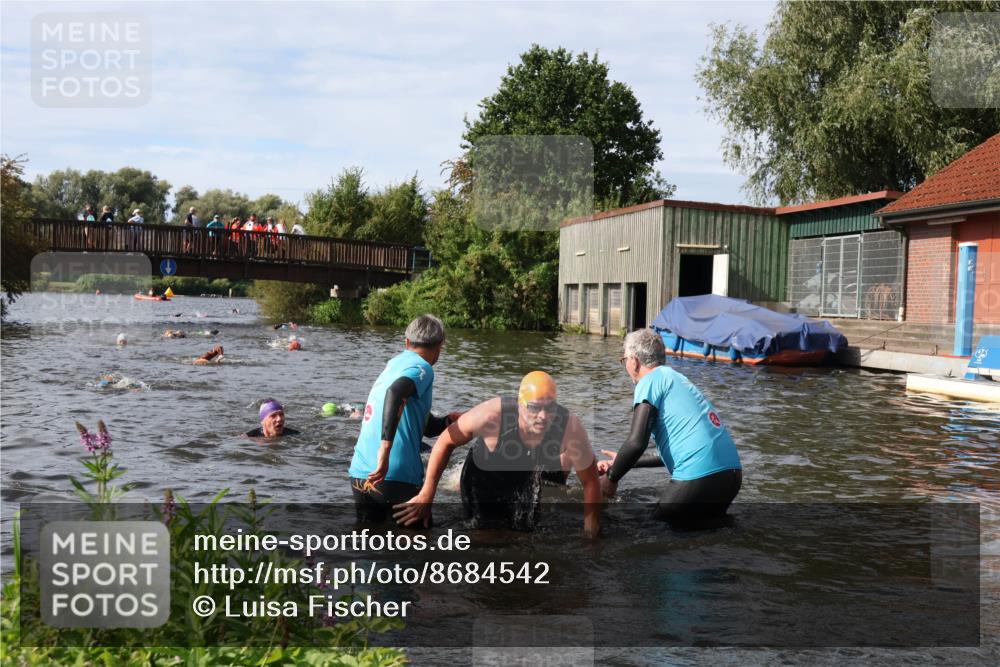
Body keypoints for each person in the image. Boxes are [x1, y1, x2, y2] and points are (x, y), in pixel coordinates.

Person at [393, 371, 601, 536]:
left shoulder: (569, 426)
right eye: (534, 408)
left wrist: (591, 534)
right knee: (485, 537)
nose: (543, 416)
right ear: (520, 405)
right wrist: (427, 494)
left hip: (523, 478)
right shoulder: (493, 415)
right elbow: (445, 441)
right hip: (482, 480)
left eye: (550, 408)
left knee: (526, 536)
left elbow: (590, 481)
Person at [599, 329, 742, 527]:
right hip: (730, 475)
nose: (625, 366)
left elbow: (635, 443)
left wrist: (611, 477)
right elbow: (679, 452)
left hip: (700, 475)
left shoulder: (648, 382)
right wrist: (624, 462)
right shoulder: (677, 379)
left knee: (646, 528)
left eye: (623, 360)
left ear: (634, 361)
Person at [348, 315, 453, 524]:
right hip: (394, 473)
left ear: (406, 342)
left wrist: (447, 422)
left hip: (360, 473)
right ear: (440, 346)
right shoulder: (423, 367)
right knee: (415, 549)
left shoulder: (393, 365)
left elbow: (420, 423)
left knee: (369, 546)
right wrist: (384, 452)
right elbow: (395, 393)